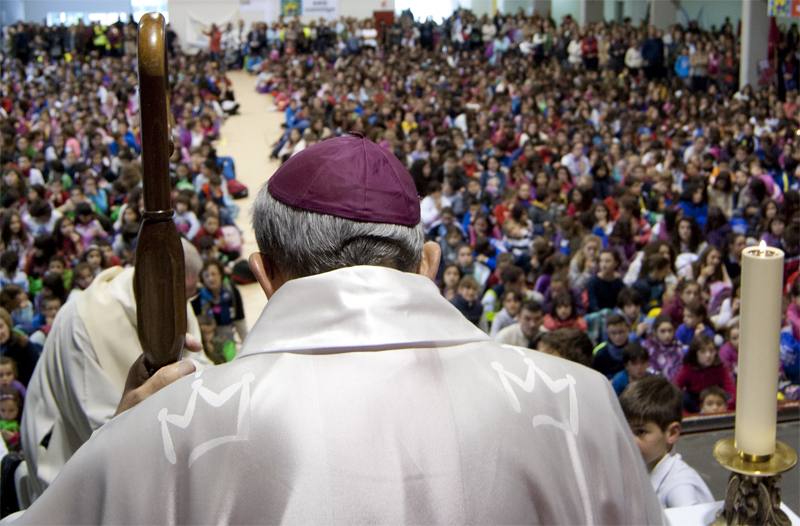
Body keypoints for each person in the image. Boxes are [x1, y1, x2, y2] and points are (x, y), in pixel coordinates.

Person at [8, 133, 664, 524]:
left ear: (264, 277)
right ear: (428, 264)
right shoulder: (580, 403)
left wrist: (114, 444)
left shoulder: (167, 431)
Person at [19, 240, 213, 503]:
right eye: (183, 295)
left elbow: (198, 361)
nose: (184, 304)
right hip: (73, 454)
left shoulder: (176, 297)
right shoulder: (83, 320)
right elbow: (98, 424)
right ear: (154, 280)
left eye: (190, 296)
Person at [619, 376, 715, 508]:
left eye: (640, 432)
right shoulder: (643, 468)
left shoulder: (680, 487)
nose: (629, 440)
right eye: (625, 429)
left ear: (672, 433)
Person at [672, 333, 736, 413]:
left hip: (716, 405)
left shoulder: (720, 367)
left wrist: (723, 409)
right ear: (695, 354)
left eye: (711, 351)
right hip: (695, 407)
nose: (708, 355)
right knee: (683, 397)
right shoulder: (687, 369)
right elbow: (672, 393)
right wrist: (687, 416)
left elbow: (732, 393)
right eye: (703, 351)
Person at [643, 316, 685, 382]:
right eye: (663, 331)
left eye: (670, 330)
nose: (667, 335)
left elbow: (681, 370)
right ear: (655, 332)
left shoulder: (678, 346)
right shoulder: (648, 347)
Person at [592, 313, 630, 379]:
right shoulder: (600, 353)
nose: (617, 337)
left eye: (621, 332)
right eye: (613, 333)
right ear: (607, 333)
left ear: (628, 330)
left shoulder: (635, 349)